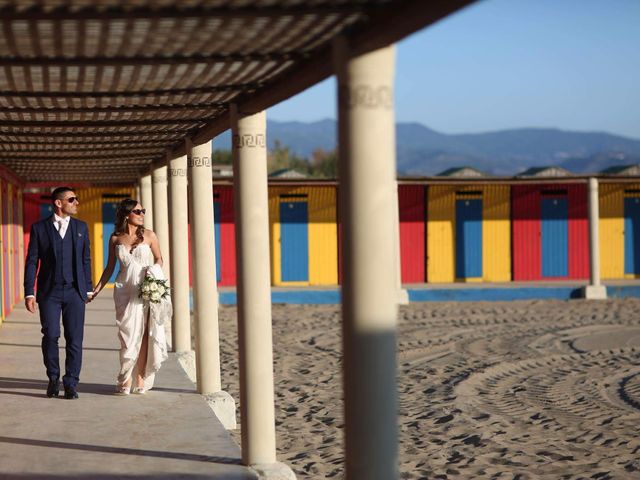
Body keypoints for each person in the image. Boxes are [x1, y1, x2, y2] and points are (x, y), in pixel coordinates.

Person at [92, 199, 169, 395]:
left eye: (143, 210)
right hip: (124, 290)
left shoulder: (150, 235)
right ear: (127, 215)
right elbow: (110, 268)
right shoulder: (115, 238)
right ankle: (125, 377)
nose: (142, 214)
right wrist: (96, 290)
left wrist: (154, 273)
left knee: (144, 333)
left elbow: (159, 258)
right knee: (127, 335)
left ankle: (140, 379)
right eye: (137, 211)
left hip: (145, 288)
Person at [24, 186, 93, 399]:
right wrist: (29, 292)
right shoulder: (39, 228)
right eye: (72, 199)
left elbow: (85, 259)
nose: (76, 203)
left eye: (76, 199)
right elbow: (32, 261)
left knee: (75, 339)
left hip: (75, 292)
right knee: (51, 335)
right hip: (49, 292)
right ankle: (53, 379)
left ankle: (71, 383)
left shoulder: (81, 227)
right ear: (58, 203)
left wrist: (88, 288)